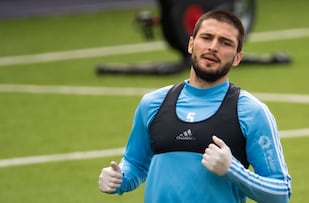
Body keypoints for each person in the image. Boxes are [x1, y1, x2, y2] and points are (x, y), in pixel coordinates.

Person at [98, 10, 292, 203]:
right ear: (191, 44)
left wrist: (233, 170)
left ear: (237, 58)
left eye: (225, 43)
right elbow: (135, 163)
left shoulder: (251, 112)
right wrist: (120, 177)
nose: (213, 47)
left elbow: (281, 192)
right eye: (207, 38)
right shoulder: (152, 104)